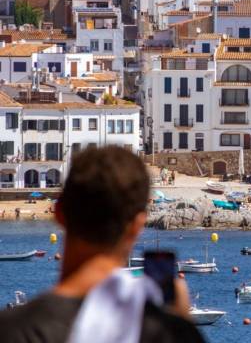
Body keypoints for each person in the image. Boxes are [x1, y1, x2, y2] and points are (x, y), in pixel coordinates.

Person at [0, 147, 204, 343]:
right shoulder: (164, 332)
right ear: (138, 226)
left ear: (59, 213)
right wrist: (181, 323)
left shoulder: (11, 329)